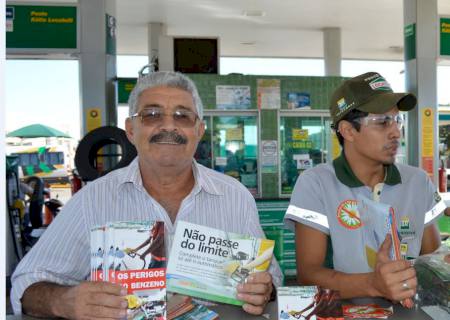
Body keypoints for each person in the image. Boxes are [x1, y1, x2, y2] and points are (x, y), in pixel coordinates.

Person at [11, 71, 282, 318]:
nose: (168, 127)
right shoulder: (93, 200)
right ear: (131, 130)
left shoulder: (234, 196)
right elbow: (26, 283)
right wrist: (64, 301)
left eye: (182, 115)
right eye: (152, 115)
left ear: (199, 130)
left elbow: (270, 277)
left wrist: (263, 289)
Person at [284, 72, 445, 302]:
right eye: (382, 122)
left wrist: (440, 265)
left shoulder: (417, 182)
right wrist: (373, 284)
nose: (396, 132)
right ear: (348, 131)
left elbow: (431, 262)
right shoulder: (316, 183)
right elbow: (308, 276)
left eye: (397, 120)